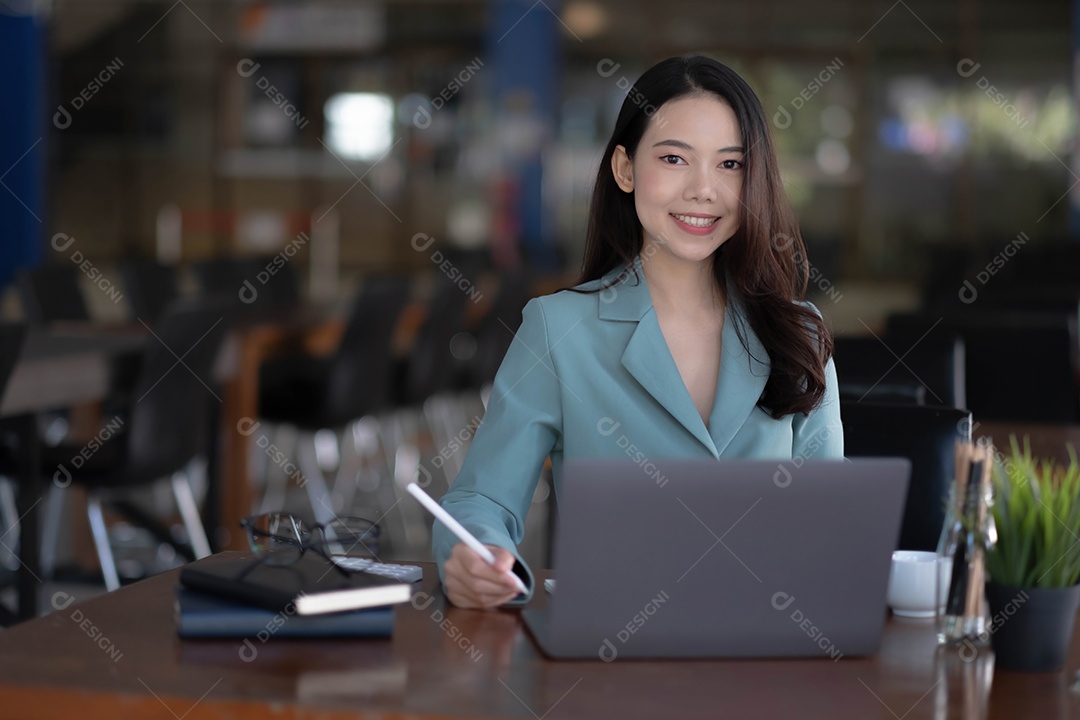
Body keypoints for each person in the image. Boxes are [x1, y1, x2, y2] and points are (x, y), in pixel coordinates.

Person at [433, 55, 844, 609]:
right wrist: (474, 552)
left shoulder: (799, 333)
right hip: (610, 648)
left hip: (763, 651)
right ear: (625, 169)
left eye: (730, 165)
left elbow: (830, 521)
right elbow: (482, 498)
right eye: (675, 158)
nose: (704, 190)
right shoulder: (559, 330)